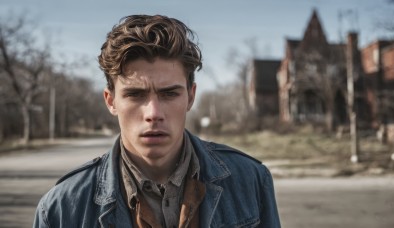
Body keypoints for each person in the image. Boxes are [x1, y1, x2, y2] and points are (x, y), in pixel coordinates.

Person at [33, 14, 281, 228]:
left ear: (190, 97)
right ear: (111, 101)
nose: (153, 112)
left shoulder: (251, 180)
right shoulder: (61, 208)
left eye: (169, 93)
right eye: (135, 94)